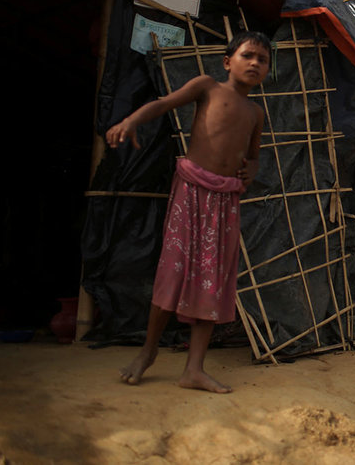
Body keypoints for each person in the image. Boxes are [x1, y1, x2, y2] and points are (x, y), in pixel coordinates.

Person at [106, 31, 271, 393]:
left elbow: (255, 155)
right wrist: (132, 120)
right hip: (191, 192)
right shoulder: (207, 87)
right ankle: (148, 352)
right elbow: (164, 104)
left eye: (263, 59)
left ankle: (193, 368)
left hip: (225, 202)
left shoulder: (255, 112)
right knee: (173, 270)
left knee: (212, 280)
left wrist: (254, 169)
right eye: (248, 55)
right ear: (228, 61)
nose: (255, 63)